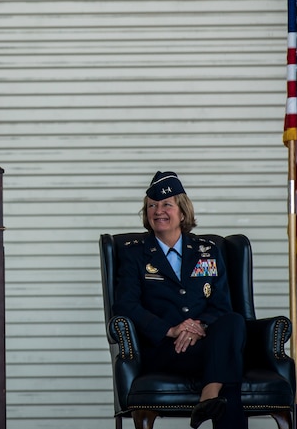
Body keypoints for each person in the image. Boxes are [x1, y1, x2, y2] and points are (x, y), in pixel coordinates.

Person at [113, 171, 248, 429]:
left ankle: (209, 396)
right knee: (231, 360)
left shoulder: (208, 251)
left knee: (234, 321)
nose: (158, 210)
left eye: (166, 204)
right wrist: (172, 330)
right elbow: (125, 305)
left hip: (204, 343)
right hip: (165, 349)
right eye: (151, 205)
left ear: (183, 212)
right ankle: (211, 395)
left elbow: (221, 306)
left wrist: (200, 328)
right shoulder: (134, 254)